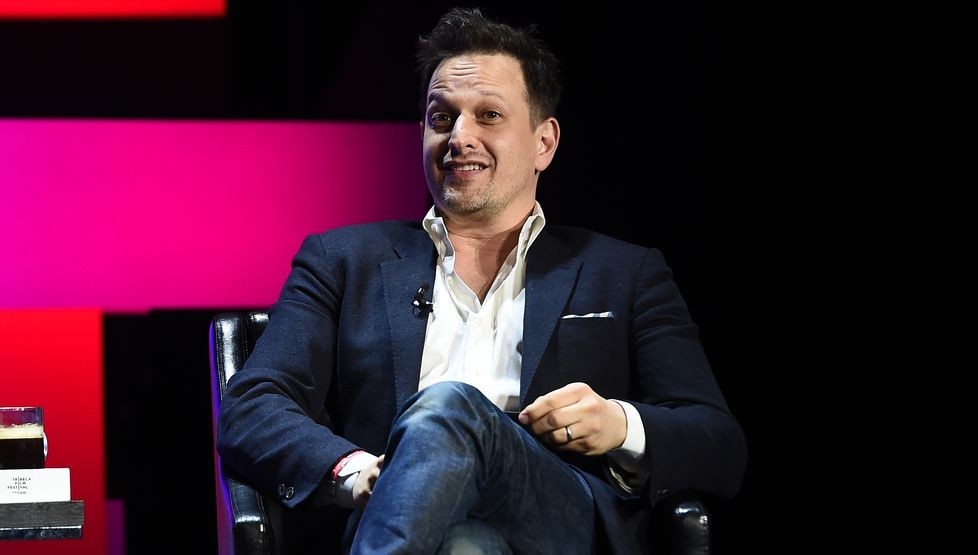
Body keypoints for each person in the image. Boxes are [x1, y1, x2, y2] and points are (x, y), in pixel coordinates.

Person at [217, 7, 746, 554]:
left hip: (559, 520)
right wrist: (356, 471)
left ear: (544, 143)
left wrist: (620, 425)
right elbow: (251, 407)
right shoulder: (342, 261)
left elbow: (719, 444)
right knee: (466, 543)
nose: (459, 136)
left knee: (450, 407)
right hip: (397, 519)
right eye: (441, 117)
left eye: (489, 115)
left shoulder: (625, 273)